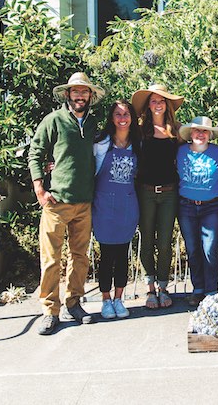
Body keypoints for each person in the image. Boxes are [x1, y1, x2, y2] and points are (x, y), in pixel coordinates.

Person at [28, 72, 104, 335]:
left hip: (84, 202)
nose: (80, 96)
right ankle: (50, 311)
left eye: (84, 92)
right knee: (51, 259)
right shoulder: (54, 120)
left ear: (90, 96)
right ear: (67, 94)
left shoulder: (93, 124)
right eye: (76, 91)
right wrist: (40, 188)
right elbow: (35, 152)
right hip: (56, 201)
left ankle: (74, 303)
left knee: (80, 257)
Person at [131, 84, 183, 310]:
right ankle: (150, 287)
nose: (158, 104)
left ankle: (163, 286)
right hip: (146, 192)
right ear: (148, 105)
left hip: (169, 192)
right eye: (153, 100)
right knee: (147, 241)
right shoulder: (139, 130)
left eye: (161, 101)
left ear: (167, 105)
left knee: (164, 243)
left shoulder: (177, 130)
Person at [92, 99, 140, 320]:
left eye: (126, 114)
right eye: (118, 114)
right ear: (111, 118)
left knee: (122, 255)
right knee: (106, 256)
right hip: (103, 206)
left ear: (132, 118)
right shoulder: (101, 143)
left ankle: (119, 299)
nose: (122, 118)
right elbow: (85, 166)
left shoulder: (137, 144)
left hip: (127, 205)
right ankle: (105, 299)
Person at [175, 116, 218, 308]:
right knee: (192, 248)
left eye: (205, 131)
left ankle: (211, 291)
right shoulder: (180, 151)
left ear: (210, 135)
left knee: (209, 248)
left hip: (212, 206)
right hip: (186, 206)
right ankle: (198, 289)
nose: (201, 134)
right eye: (197, 130)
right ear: (190, 133)